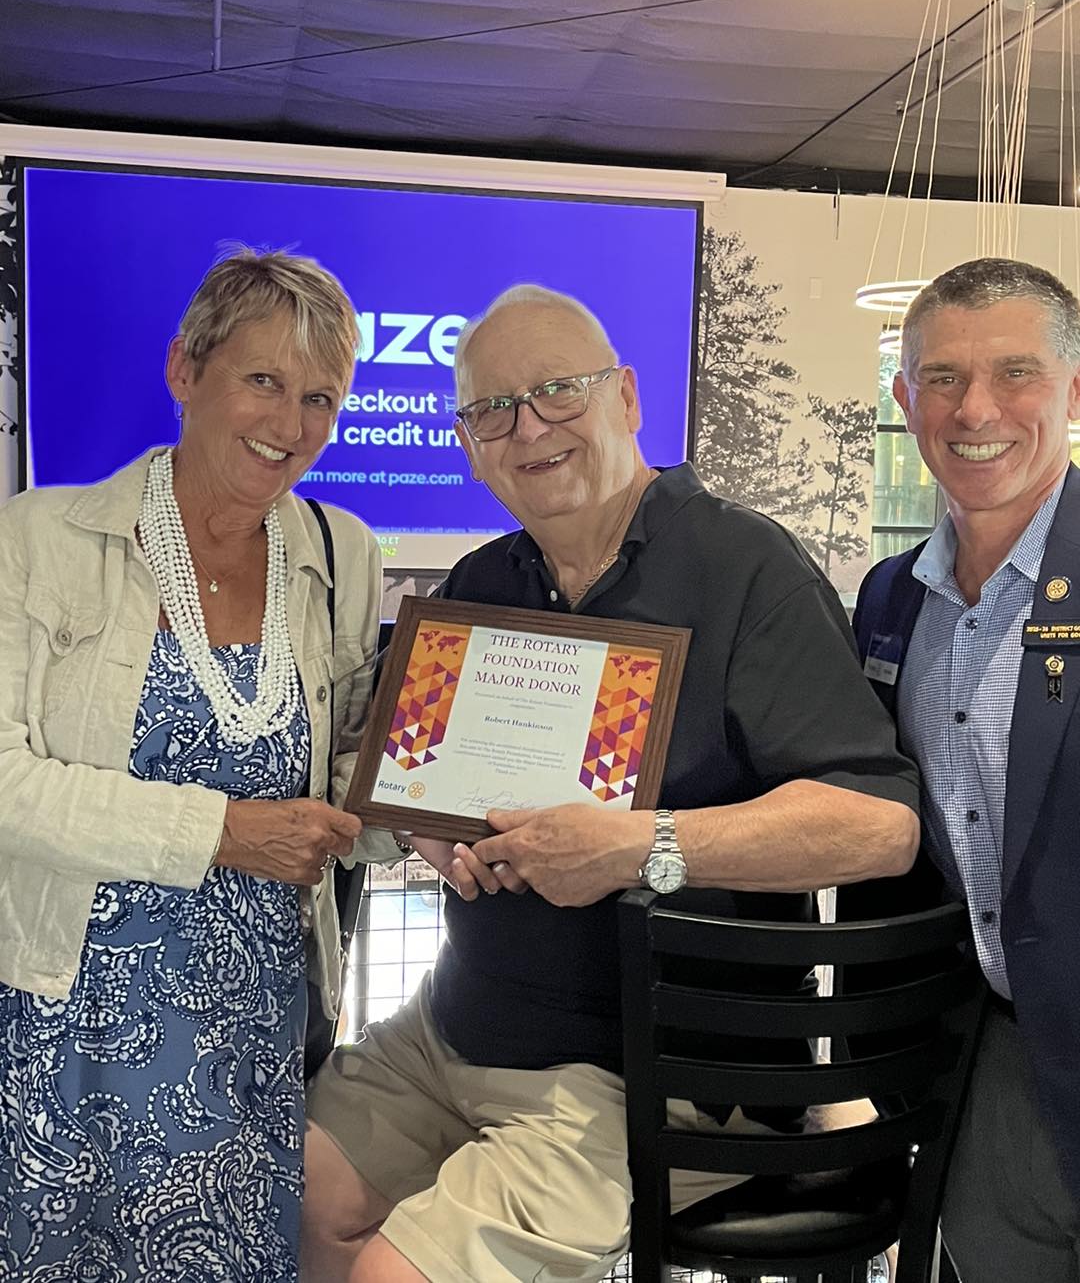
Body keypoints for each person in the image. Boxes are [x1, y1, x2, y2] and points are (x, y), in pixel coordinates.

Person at [302, 283, 921, 1283]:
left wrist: (646, 847)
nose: (528, 428)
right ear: (467, 444)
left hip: (648, 1066)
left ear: (626, 397)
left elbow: (877, 826)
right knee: (294, 1201)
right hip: (454, 1025)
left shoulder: (746, 570)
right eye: (492, 410)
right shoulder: (480, 585)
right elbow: (399, 774)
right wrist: (426, 824)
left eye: (558, 391)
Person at [0, 249, 392, 1282]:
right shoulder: (39, 539)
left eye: (320, 397)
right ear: (185, 370)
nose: (290, 422)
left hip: (252, 1027)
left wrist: (449, 815)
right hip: (64, 1021)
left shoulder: (341, 554)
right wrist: (223, 832)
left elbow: (347, 777)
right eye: (263, 379)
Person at [850, 258, 1080, 1281]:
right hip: (993, 1057)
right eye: (941, 377)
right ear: (905, 400)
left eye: (1015, 372)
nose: (975, 409)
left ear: (1073, 391)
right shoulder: (890, 601)